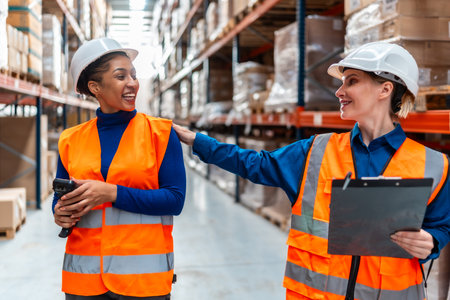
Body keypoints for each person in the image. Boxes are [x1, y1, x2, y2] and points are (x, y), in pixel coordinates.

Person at [173, 41, 450, 299]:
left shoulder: (434, 165)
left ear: (385, 89)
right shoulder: (316, 151)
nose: (339, 92)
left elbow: (442, 226)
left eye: (351, 81)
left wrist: (432, 241)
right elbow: (255, 164)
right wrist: (199, 141)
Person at [52, 38, 186, 300]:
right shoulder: (70, 139)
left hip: (142, 281)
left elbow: (175, 200)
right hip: (84, 280)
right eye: (121, 76)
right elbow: (61, 197)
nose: (132, 83)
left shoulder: (160, 133)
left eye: (134, 75)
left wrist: (112, 193)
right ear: (95, 87)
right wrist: (59, 212)